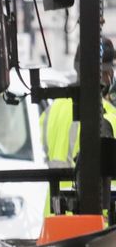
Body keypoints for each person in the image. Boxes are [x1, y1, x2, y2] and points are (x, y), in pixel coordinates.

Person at [39, 37, 116, 214]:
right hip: (95, 218)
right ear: (107, 74)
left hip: (54, 214)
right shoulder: (108, 116)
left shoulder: (52, 110)